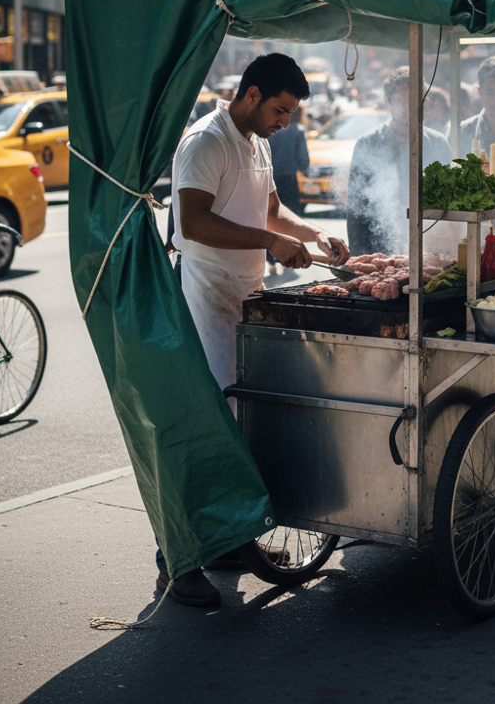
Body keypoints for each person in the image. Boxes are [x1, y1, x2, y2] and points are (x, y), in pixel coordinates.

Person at [167, 53, 349, 607]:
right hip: (204, 296)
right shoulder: (207, 140)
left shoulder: (260, 143)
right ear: (250, 95)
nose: (286, 122)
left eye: (291, 113)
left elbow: (271, 212)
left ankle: (226, 540)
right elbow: (191, 221)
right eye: (280, 109)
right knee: (210, 429)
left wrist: (315, 237)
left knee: (242, 423)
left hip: (245, 297)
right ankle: (177, 562)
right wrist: (270, 244)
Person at [347, 67, 451, 256]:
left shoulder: (439, 143)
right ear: (387, 101)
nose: (406, 108)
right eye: (399, 101)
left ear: (425, 103)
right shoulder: (368, 143)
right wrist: (358, 258)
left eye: (414, 101)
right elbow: (356, 209)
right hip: (378, 249)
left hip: (426, 247)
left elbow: (445, 203)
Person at [265, 105, 310, 275]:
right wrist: (305, 170)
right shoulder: (298, 131)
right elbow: (303, 157)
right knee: (289, 220)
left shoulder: (271, 130)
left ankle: (271, 261)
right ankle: (287, 258)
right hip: (290, 180)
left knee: (270, 219)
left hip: (271, 179)